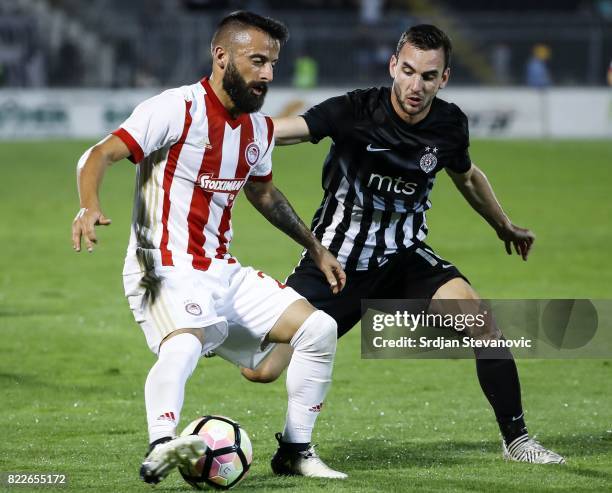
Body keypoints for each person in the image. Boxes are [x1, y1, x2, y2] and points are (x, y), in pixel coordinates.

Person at [242, 24, 565, 465]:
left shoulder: (450, 124)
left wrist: (503, 224)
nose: (416, 85)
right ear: (394, 65)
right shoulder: (355, 110)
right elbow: (286, 129)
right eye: (408, 71)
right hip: (335, 262)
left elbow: (467, 177)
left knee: (482, 325)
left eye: (428, 76)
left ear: (444, 78)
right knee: (259, 370)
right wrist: (222, 125)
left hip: (404, 257)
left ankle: (519, 441)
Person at [71, 11, 348, 483]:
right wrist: (88, 206)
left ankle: (297, 452)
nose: (267, 74)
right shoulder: (175, 108)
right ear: (222, 56)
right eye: (257, 60)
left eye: (273, 64)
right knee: (184, 343)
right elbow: (100, 154)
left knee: (319, 329)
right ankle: (162, 444)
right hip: (160, 265)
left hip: (222, 271)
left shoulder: (258, 130)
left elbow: (264, 194)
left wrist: (315, 247)